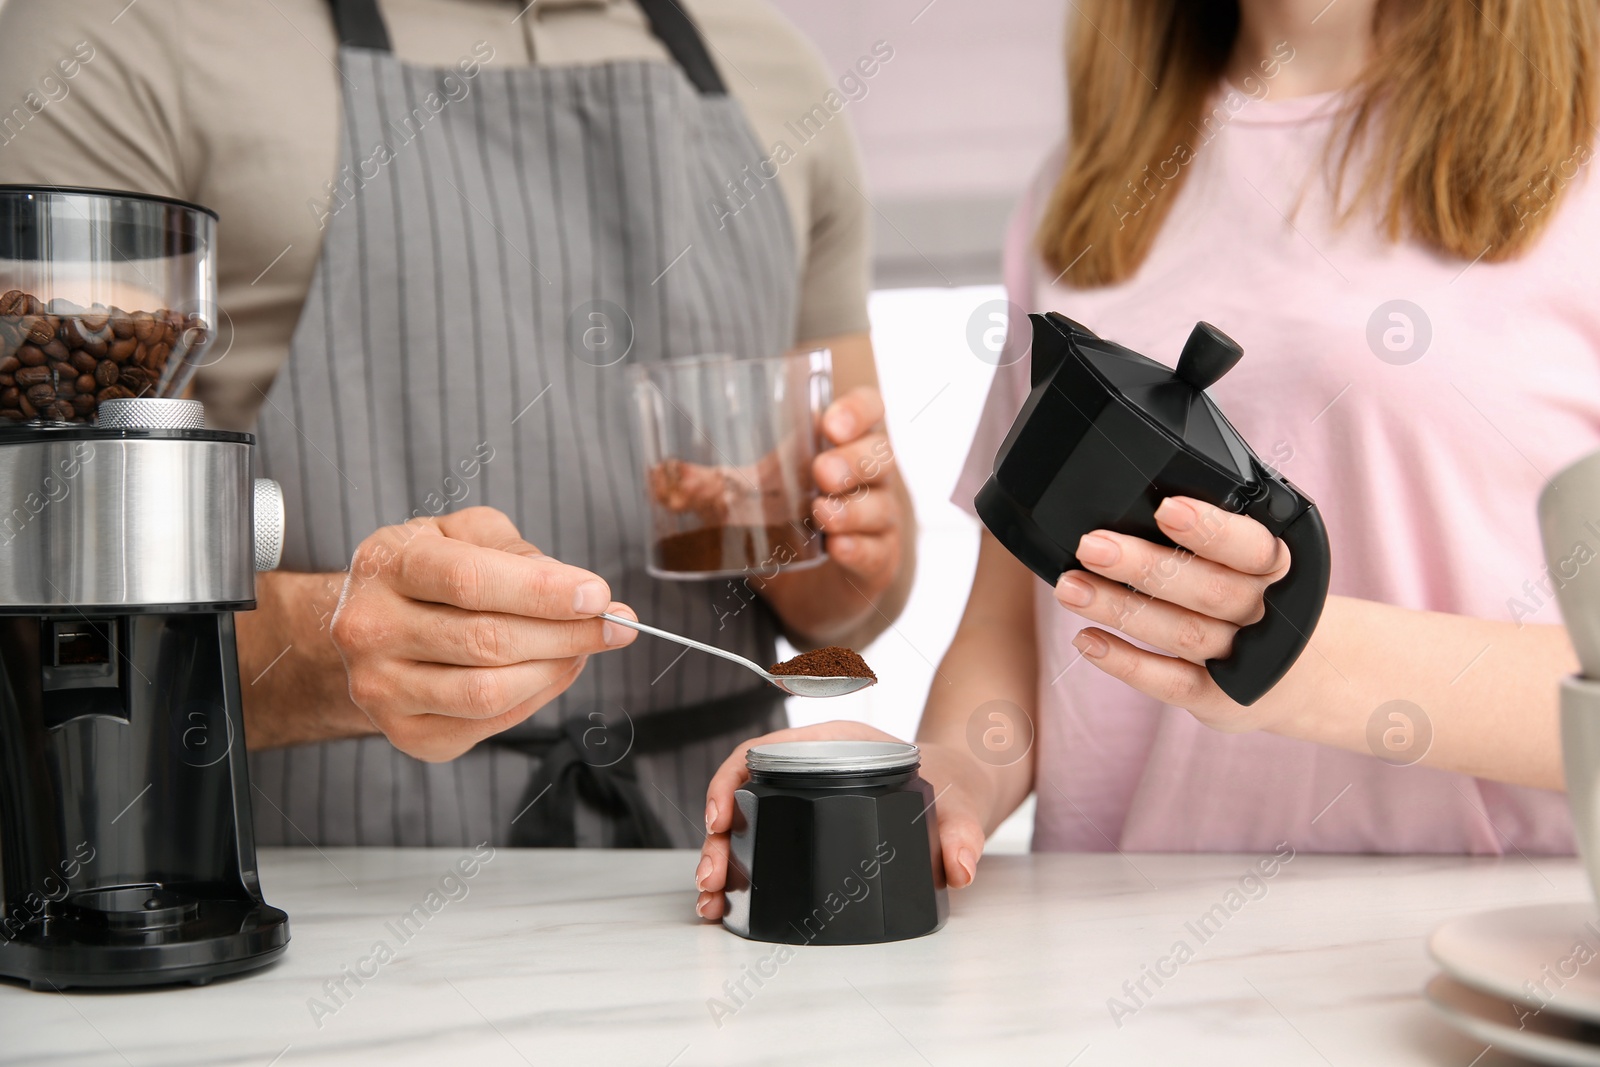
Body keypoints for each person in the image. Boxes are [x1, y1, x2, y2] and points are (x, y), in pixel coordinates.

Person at [695, 0, 1599, 917]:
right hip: (1113, 948)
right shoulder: (1083, 189)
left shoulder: (1584, 155)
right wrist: (942, 783)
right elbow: (1012, 622)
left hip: (1472, 952)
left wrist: (1281, 653)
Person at [0, 0, 915, 848]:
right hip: (313, 873)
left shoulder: (776, 75)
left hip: (721, 871)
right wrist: (326, 645)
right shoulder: (120, 43)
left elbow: (854, 588)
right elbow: (48, 597)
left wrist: (836, 548)